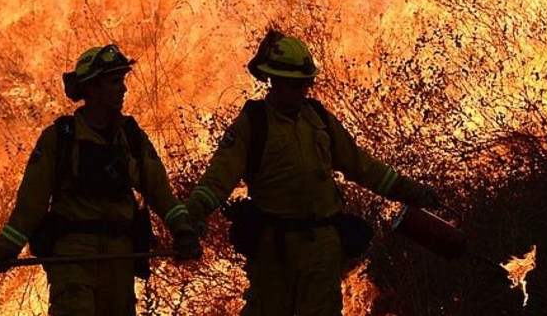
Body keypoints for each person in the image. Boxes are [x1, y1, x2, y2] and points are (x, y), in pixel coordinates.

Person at [184, 31, 442, 316]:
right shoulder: (253, 124)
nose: (302, 91)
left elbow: (363, 167)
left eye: (305, 84)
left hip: (322, 247)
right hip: (274, 250)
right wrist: (193, 213)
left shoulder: (319, 119)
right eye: (295, 85)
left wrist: (414, 192)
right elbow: (218, 178)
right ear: (274, 80)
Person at [0, 43, 202, 316]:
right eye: (114, 82)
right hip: (74, 258)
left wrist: (183, 231)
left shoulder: (131, 137)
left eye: (122, 81)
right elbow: (31, 204)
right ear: (93, 88)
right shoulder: (60, 139)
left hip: (121, 258)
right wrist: (4, 250)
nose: (123, 89)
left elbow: (160, 191)